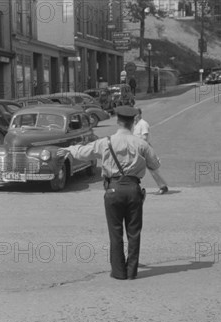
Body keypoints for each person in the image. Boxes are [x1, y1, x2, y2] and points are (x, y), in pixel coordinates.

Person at [56, 106, 161, 280]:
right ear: (133, 123)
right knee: (134, 233)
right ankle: (132, 271)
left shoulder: (106, 142)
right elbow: (155, 165)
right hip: (134, 190)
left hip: (113, 189)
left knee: (115, 232)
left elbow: (84, 152)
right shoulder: (141, 144)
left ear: (118, 122)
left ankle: (119, 272)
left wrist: (70, 149)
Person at [133, 107, 168, 195]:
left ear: (139, 114)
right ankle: (134, 188)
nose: (134, 116)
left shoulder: (143, 124)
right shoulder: (136, 124)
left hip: (144, 149)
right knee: (134, 169)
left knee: (153, 169)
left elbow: (144, 137)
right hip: (137, 149)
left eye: (135, 114)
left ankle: (163, 186)